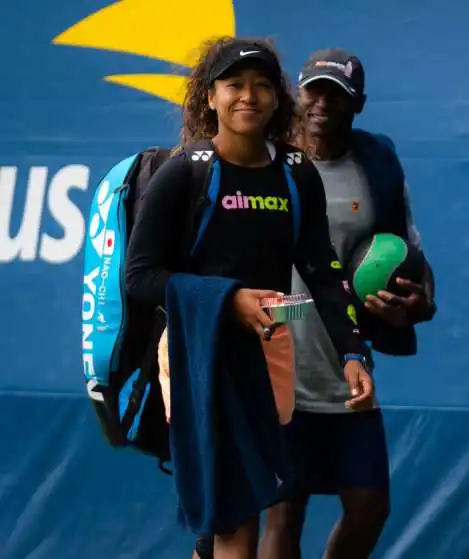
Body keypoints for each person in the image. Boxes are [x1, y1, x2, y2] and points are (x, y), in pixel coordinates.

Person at [123, 36, 373, 559]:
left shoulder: (295, 173)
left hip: (269, 357)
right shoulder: (184, 172)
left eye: (262, 86)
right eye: (234, 84)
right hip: (198, 355)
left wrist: (352, 352)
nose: (248, 97)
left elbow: (323, 270)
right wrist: (228, 299)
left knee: (225, 522)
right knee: (237, 518)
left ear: (278, 99)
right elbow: (140, 278)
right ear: (209, 97)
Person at [255, 48, 437, 559]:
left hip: (348, 365)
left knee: (370, 506)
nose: (322, 104)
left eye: (336, 95)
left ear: (357, 103)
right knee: (284, 509)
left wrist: (419, 304)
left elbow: (409, 254)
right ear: (297, 92)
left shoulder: (375, 163)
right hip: (278, 357)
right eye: (314, 90)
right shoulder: (267, 159)